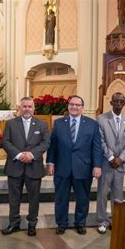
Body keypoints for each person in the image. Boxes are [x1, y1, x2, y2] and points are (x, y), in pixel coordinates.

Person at [46, 95, 102, 235]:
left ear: (82, 108)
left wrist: (97, 165)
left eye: (78, 105)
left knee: (82, 198)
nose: (74, 107)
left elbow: (96, 147)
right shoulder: (59, 123)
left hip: (83, 167)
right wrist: (50, 162)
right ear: (68, 106)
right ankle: (61, 223)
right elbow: (53, 145)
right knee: (61, 198)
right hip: (62, 167)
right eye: (72, 104)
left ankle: (80, 223)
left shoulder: (92, 124)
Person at [1, 97, 50, 237]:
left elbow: (46, 143)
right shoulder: (10, 124)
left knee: (34, 198)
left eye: (30, 106)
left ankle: (32, 224)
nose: (27, 109)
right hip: (15, 165)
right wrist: (19, 155)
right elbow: (5, 142)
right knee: (13, 198)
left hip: (34, 166)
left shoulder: (42, 124)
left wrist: (32, 154)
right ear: (19, 108)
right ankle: (14, 223)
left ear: (34, 109)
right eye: (24, 106)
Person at [95, 92, 125, 234]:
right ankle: (102, 220)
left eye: (121, 102)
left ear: (124, 103)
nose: (118, 104)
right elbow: (100, 140)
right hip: (106, 163)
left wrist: (121, 158)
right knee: (103, 193)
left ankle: (115, 219)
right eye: (115, 101)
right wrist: (111, 157)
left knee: (118, 194)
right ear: (111, 103)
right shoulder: (102, 119)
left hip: (120, 164)